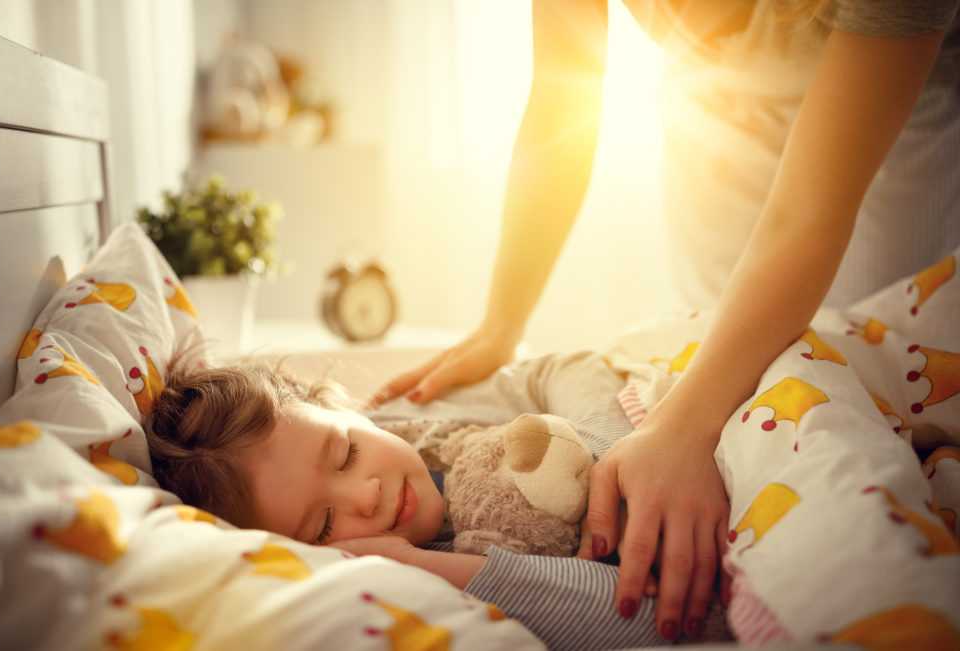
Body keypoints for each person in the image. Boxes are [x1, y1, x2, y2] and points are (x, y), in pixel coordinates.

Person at [369, 0, 960, 642]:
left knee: (868, 378)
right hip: (716, 114)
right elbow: (561, 101)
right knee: (719, 362)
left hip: (890, 114)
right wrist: (500, 325)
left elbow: (806, 221)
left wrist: (682, 427)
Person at [146, 351, 730, 648]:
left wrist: (605, 453)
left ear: (346, 409)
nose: (367, 494)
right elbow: (661, 623)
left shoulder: (421, 427)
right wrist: (423, 565)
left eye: (346, 453)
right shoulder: (420, 588)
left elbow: (566, 367)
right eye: (323, 525)